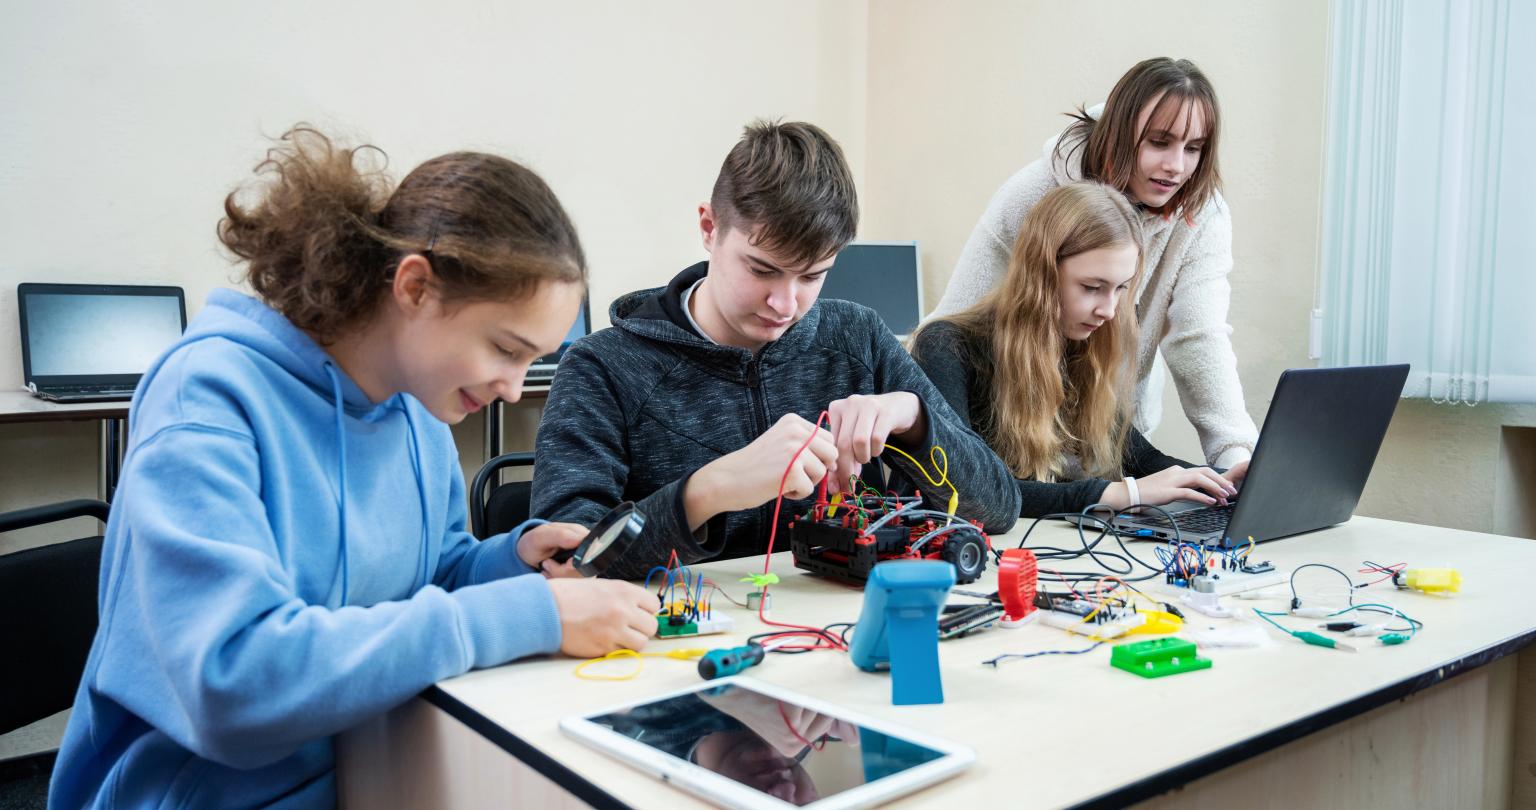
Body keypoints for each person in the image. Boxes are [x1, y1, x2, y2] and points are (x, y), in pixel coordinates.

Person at [50, 127, 658, 809]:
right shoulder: (210, 397)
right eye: (505, 349)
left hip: (379, 767)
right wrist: (528, 614)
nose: (516, 389)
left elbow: (426, 578)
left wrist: (511, 562)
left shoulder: (418, 410)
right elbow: (234, 682)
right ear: (416, 287)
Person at [531, 120, 1020, 579]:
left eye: (812, 276)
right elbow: (566, 563)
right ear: (709, 227)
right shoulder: (602, 367)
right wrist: (709, 491)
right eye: (762, 270)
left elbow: (999, 508)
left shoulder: (858, 338)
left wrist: (915, 421)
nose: (785, 304)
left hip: (838, 638)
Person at [928, 57, 1258, 469]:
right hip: (1006, 440)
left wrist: (1234, 457)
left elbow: (1199, 334)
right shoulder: (1036, 193)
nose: (1176, 166)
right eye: (1159, 142)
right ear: (1121, 134)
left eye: (1193, 149)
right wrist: (950, 446)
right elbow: (955, 328)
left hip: (1108, 430)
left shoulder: (1202, 215)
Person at [910, 182, 1245, 517]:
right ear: (1040, 274)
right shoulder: (945, 347)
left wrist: (1225, 482)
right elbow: (966, 488)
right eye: (1092, 288)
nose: (1109, 310)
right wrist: (1121, 493)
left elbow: (1142, 461)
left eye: (1120, 289)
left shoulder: (1079, 349)